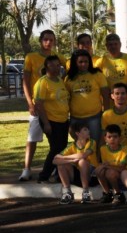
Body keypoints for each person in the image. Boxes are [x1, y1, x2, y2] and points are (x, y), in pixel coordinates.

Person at [20, 30, 66, 182]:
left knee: (57, 144)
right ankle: (27, 168)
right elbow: (25, 81)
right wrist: (30, 103)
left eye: (51, 40)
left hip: (56, 109)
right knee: (32, 138)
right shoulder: (31, 57)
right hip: (38, 105)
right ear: (40, 40)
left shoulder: (59, 58)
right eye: (45, 39)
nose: (48, 42)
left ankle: (54, 170)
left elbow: (68, 71)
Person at [34, 55, 70, 184]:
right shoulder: (43, 82)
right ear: (46, 67)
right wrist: (46, 123)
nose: (55, 68)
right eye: (52, 65)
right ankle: (44, 176)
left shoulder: (60, 80)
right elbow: (38, 104)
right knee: (56, 148)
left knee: (62, 147)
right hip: (50, 121)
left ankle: (56, 173)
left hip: (63, 120)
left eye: (57, 65)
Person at [65, 49, 109, 144]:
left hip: (94, 117)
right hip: (75, 118)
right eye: (80, 62)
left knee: (95, 143)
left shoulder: (97, 75)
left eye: (86, 61)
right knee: (80, 144)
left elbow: (106, 96)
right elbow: (65, 99)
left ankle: (96, 159)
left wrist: (106, 114)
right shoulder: (69, 78)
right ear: (75, 63)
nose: (84, 64)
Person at [53, 123, 98, 204]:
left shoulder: (91, 142)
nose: (88, 131)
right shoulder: (72, 146)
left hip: (91, 177)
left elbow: (83, 155)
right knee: (61, 164)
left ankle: (86, 193)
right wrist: (70, 161)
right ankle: (67, 193)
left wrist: (64, 157)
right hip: (78, 176)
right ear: (78, 133)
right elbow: (55, 160)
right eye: (85, 129)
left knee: (82, 161)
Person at [101, 33, 127, 107]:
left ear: (120, 44)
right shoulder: (101, 61)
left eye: (115, 44)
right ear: (106, 46)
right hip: (110, 105)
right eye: (110, 44)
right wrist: (112, 95)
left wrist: (121, 94)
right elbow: (98, 82)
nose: (113, 46)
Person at [96, 124, 127, 205]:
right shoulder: (103, 149)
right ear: (105, 139)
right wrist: (102, 167)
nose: (112, 139)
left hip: (124, 177)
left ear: (120, 138)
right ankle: (107, 193)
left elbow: (122, 168)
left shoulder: (125, 149)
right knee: (99, 171)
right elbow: (103, 167)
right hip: (110, 175)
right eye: (109, 137)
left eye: (115, 137)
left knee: (110, 172)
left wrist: (106, 166)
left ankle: (118, 194)